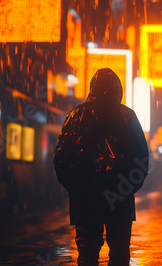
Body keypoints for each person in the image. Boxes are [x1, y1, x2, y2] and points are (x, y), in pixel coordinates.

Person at [54, 68, 148, 266]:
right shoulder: (127, 116)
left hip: (85, 199)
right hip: (120, 199)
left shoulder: (76, 115)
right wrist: (126, 189)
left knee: (87, 253)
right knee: (120, 252)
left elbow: (61, 158)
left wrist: (76, 189)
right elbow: (141, 159)